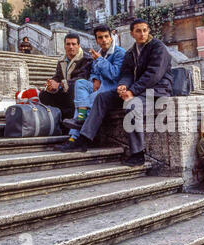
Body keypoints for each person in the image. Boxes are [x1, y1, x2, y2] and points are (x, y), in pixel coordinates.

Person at [60, 19, 173, 168]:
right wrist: (123, 86)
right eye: (138, 31)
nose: (142, 34)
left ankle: (137, 153)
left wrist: (132, 91)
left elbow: (154, 74)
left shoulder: (158, 48)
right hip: (137, 89)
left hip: (156, 90)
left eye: (145, 30)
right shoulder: (131, 52)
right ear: (132, 33)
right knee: (103, 97)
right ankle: (85, 138)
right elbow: (126, 73)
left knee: (133, 106)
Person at [60, 25, 126, 147]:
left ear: (111, 38)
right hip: (100, 86)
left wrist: (100, 60)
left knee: (87, 101)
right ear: (96, 40)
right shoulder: (99, 53)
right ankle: (80, 118)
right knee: (80, 84)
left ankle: (74, 137)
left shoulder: (119, 53)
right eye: (100, 38)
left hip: (111, 88)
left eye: (106, 36)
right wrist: (95, 79)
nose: (104, 40)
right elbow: (94, 72)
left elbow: (114, 74)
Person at [39, 33, 93, 120]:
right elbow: (58, 76)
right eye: (68, 44)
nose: (71, 47)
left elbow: (82, 78)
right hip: (65, 90)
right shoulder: (61, 60)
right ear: (64, 46)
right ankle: (58, 116)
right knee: (43, 95)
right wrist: (51, 83)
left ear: (78, 45)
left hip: (78, 91)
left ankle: (70, 119)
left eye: (73, 44)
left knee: (74, 90)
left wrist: (60, 85)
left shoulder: (87, 59)